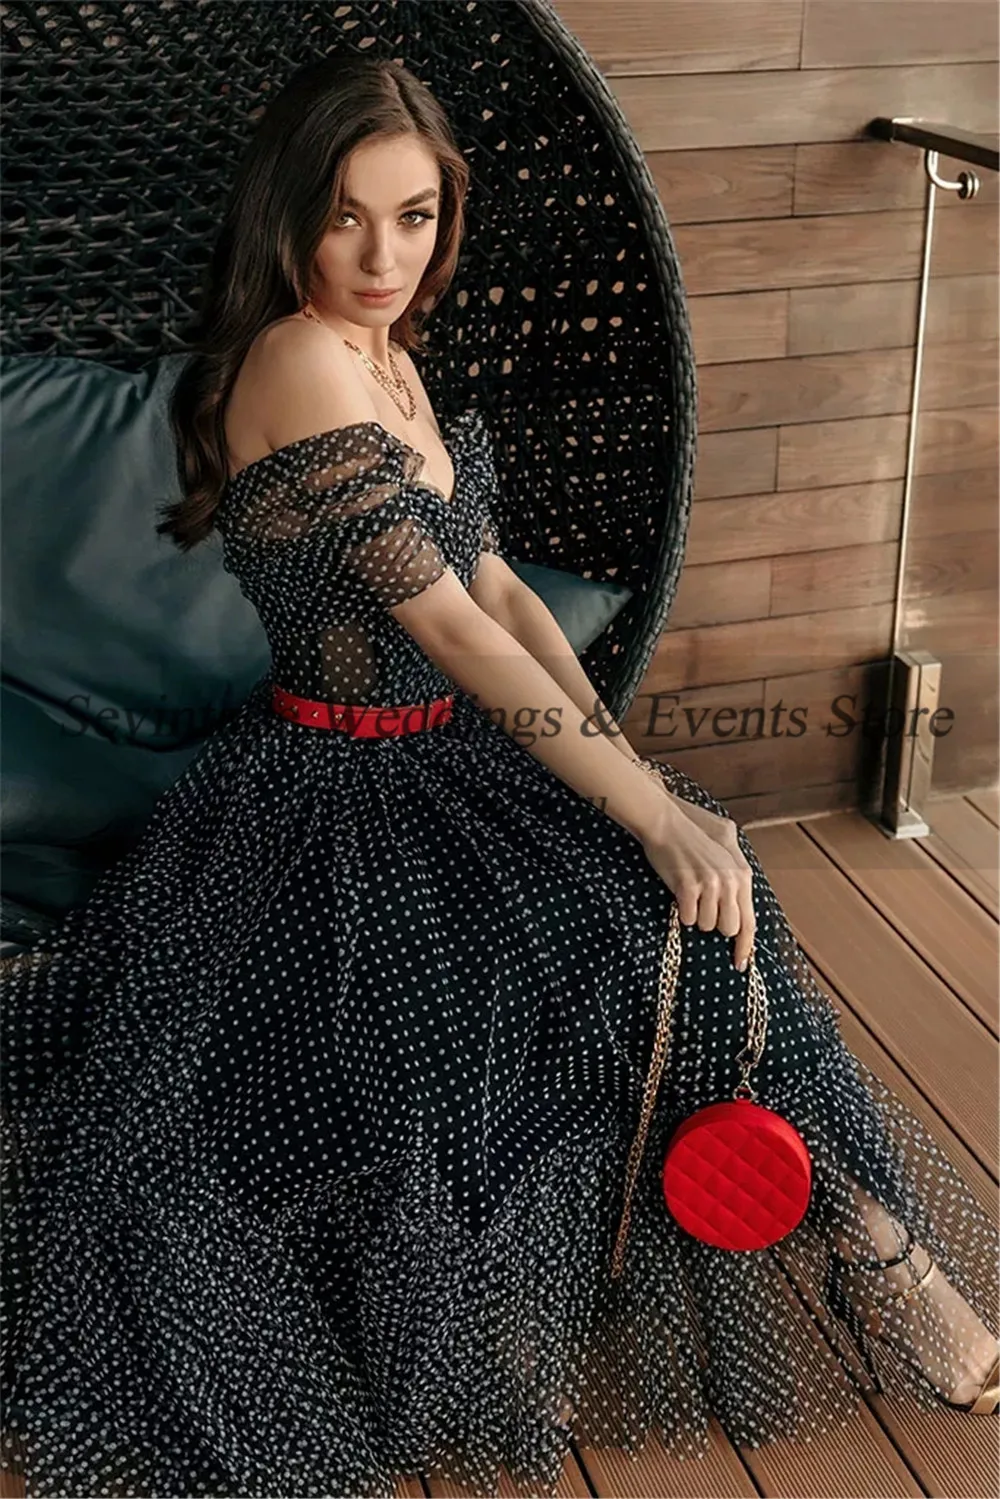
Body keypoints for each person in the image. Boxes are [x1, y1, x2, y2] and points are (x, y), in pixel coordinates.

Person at [2, 52, 996, 1499]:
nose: (382, 257)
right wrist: (644, 810)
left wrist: (637, 780)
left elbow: (509, 595)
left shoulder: (391, 356)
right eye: (346, 217)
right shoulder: (297, 359)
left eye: (413, 217)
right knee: (633, 918)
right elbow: (457, 634)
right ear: (290, 216)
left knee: (710, 903)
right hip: (332, 794)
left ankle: (876, 1254)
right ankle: (849, 1261)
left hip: (456, 764)